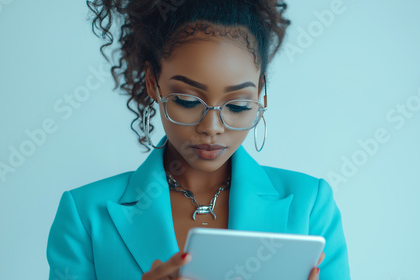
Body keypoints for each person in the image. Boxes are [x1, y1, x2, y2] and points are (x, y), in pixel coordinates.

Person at [46, 0, 351, 279]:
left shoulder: (311, 205)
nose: (212, 127)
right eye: (188, 101)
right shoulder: (85, 214)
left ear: (260, 92)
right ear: (153, 83)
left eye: (238, 106)